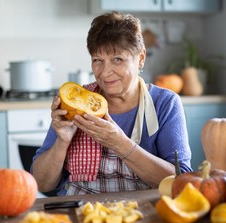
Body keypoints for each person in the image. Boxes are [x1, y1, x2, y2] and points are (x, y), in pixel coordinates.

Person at [31, 11, 192, 196]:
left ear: (140, 58)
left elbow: (180, 183)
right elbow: (42, 184)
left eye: (117, 59)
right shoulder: (75, 101)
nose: (105, 72)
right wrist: (62, 141)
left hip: (141, 213)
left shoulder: (165, 103)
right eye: (98, 60)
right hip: (80, 210)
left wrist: (120, 144)